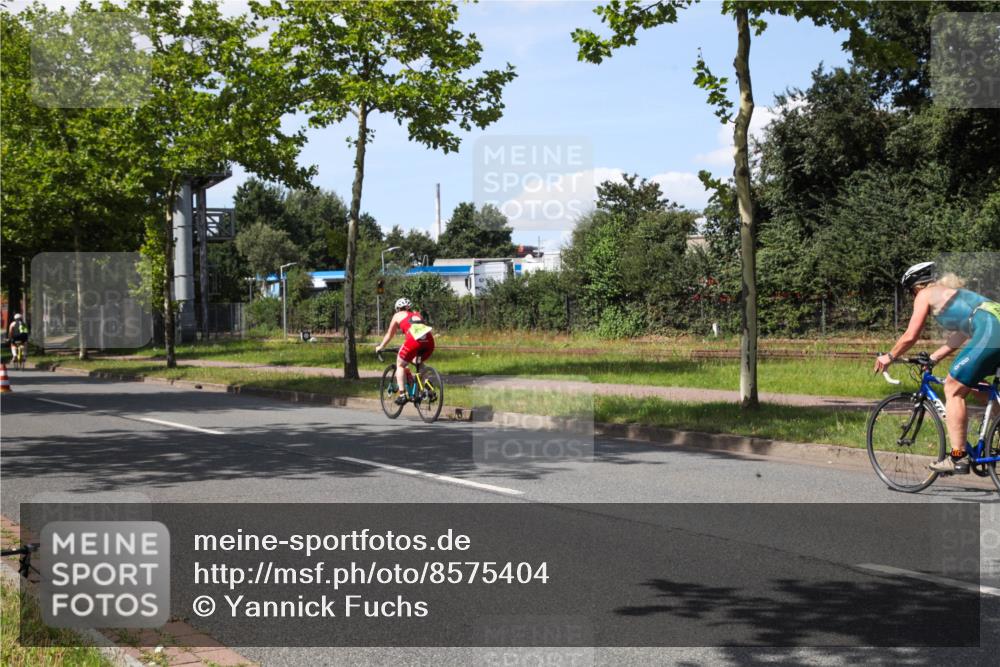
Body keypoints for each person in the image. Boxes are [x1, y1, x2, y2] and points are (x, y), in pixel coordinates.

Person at [874, 262, 1000, 473]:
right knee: (973, 384)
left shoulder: (926, 294)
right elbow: (963, 333)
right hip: (992, 327)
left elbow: (911, 335)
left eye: (911, 291)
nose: (913, 296)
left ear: (916, 286)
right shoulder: (955, 294)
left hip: (991, 330)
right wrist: (934, 358)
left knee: (952, 388)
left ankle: (958, 457)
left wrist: (890, 356)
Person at [375, 298, 435, 405]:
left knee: (400, 365)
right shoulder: (416, 314)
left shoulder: (397, 315)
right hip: (429, 341)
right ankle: (428, 386)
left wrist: (381, 346)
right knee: (418, 362)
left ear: (397, 309)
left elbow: (390, 334)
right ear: (409, 308)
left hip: (413, 341)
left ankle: (402, 395)